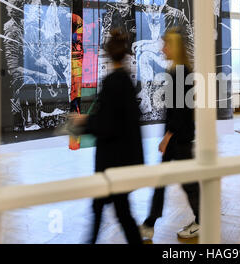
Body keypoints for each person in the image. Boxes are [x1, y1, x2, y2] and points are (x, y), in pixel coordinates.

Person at [71, 28, 144, 244]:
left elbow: (106, 126)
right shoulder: (127, 83)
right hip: (125, 159)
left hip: (111, 161)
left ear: (108, 54)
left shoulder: (112, 83)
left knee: (108, 210)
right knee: (120, 212)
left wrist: (84, 122)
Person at [139, 26, 200, 241]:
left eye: (166, 45)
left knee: (188, 184)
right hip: (180, 136)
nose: (163, 49)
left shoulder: (178, 73)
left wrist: (167, 137)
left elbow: (179, 110)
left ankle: (201, 220)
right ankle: (149, 223)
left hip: (178, 138)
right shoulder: (182, 71)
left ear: (174, 47)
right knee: (166, 181)